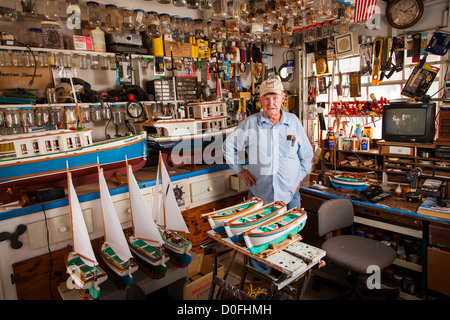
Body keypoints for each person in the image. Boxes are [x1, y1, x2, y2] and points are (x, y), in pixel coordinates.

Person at [223, 76, 313, 210]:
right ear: (260, 100)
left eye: (275, 98)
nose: (271, 103)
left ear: (283, 98)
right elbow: (228, 146)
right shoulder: (250, 123)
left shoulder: (293, 122)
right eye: (266, 98)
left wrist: (298, 178)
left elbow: (306, 155)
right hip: (259, 196)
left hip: (290, 195)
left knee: (291, 230)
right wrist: (240, 171)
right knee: (257, 230)